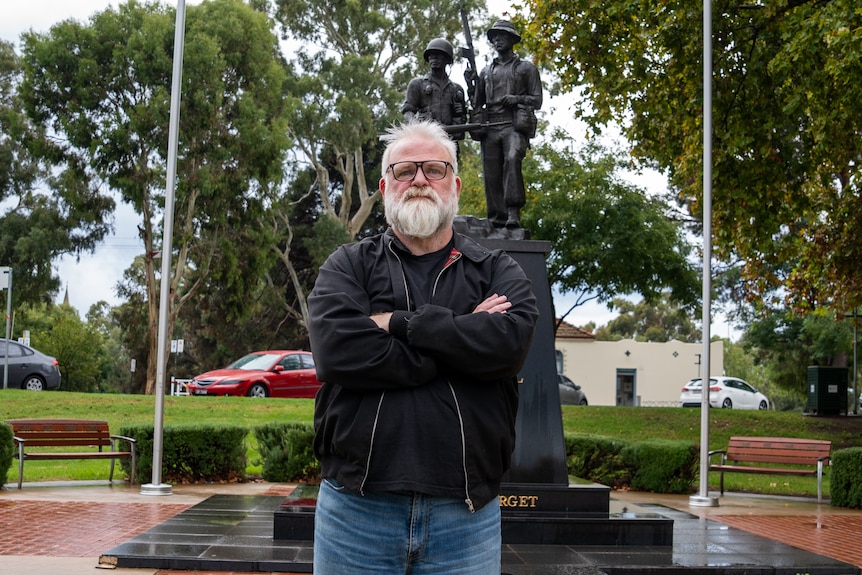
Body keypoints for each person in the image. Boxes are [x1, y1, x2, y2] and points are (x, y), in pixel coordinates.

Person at [307, 120, 538, 575]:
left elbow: (507, 346)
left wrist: (392, 323)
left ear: (454, 183)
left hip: (465, 517)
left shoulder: (496, 270)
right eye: (404, 170)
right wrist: (459, 339)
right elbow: (336, 351)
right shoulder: (348, 266)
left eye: (433, 169)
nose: (418, 180)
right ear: (384, 184)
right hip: (356, 513)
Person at [466, 20, 543, 229]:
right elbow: (476, 102)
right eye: (494, 38)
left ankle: (513, 213)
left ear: (511, 39)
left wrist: (516, 98)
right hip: (491, 125)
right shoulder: (485, 71)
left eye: (501, 36)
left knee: (511, 160)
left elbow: (537, 100)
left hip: (513, 125)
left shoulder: (526, 68)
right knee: (491, 172)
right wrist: (470, 83)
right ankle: (496, 219)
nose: (497, 41)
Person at [401, 38, 467, 141]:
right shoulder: (417, 84)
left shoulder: (456, 89)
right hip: (425, 140)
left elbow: (462, 117)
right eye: (431, 55)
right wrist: (418, 129)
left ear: (447, 59)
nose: (434, 58)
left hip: (449, 140)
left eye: (438, 55)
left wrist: (459, 117)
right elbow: (408, 111)